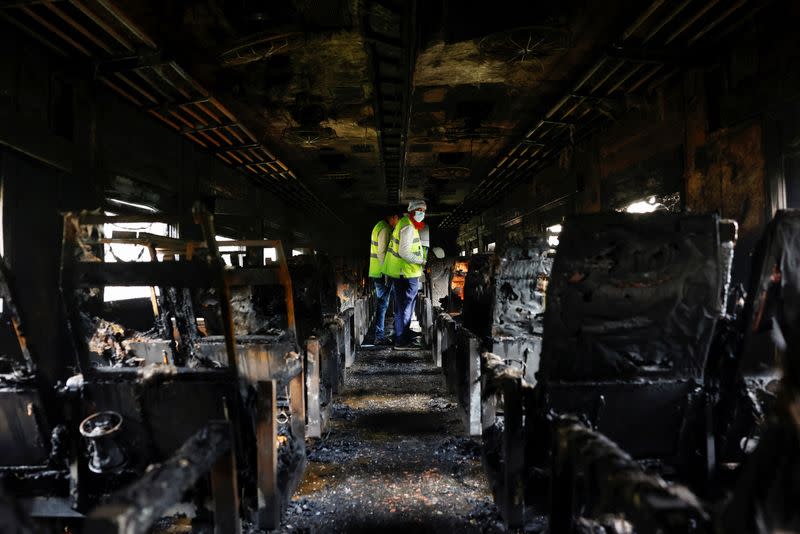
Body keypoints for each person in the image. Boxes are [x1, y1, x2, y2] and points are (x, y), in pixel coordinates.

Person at [382, 199, 427, 349]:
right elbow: (404, 252)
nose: (422, 213)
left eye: (424, 211)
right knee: (405, 307)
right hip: (405, 273)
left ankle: (403, 333)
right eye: (420, 210)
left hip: (403, 273)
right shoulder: (408, 226)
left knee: (403, 306)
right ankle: (402, 340)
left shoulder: (407, 224)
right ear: (412, 211)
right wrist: (421, 260)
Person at [369, 212, 399, 344]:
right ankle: (380, 336)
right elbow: (382, 253)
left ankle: (381, 334)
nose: (397, 223)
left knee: (383, 303)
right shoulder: (385, 230)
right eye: (398, 219)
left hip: (377, 272)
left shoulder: (378, 226)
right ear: (393, 217)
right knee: (384, 303)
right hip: (382, 274)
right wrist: (387, 273)